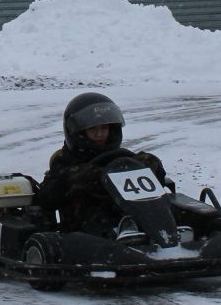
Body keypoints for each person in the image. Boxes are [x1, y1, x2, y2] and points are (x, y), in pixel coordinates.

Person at [33, 92, 172, 234]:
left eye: (104, 128)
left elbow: (154, 179)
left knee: (173, 207)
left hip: (130, 215)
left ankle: (168, 233)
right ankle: (124, 234)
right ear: (78, 131)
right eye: (93, 129)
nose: (99, 134)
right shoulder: (65, 160)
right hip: (84, 230)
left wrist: (149, 164)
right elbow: (45, 198)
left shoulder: (121, 157)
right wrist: (78, 178)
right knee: (96, 215)